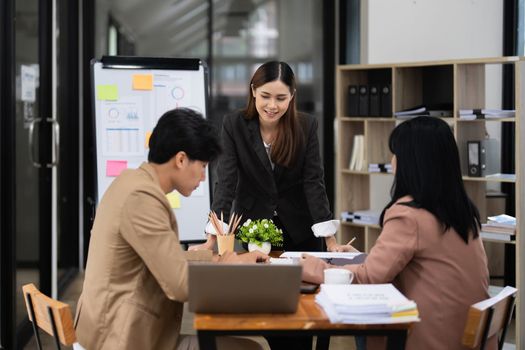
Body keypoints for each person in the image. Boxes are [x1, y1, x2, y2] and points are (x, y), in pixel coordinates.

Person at [74, 108, 268, 350]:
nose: (203, 177)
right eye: (204, 166)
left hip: (113, 328)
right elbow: (179, 284)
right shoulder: (141, 197)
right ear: (181, 159)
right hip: (118, 339)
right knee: (250, 349)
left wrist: (218, 259)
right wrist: (232, 267)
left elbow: (165, 258)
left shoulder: (130, 181)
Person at [302, 116, 494, 350]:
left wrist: (309, 266)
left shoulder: (409, 215)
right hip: (460, 336)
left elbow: (369, 278)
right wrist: (365, 259)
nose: (392, 161)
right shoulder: (461, 211)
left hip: (425, 338)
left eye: (395, 154)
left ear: (411, 162)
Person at [190, 61, 351, 253]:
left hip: (300, 229)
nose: (272, 106)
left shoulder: (306, 127)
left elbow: (313, 182)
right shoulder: (234, 125)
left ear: (292, 96)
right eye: (265, 96)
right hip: (255, 229)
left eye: (281, 98)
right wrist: (211, 240)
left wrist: (330, 241)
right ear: (253, 91)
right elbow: (226, 182)